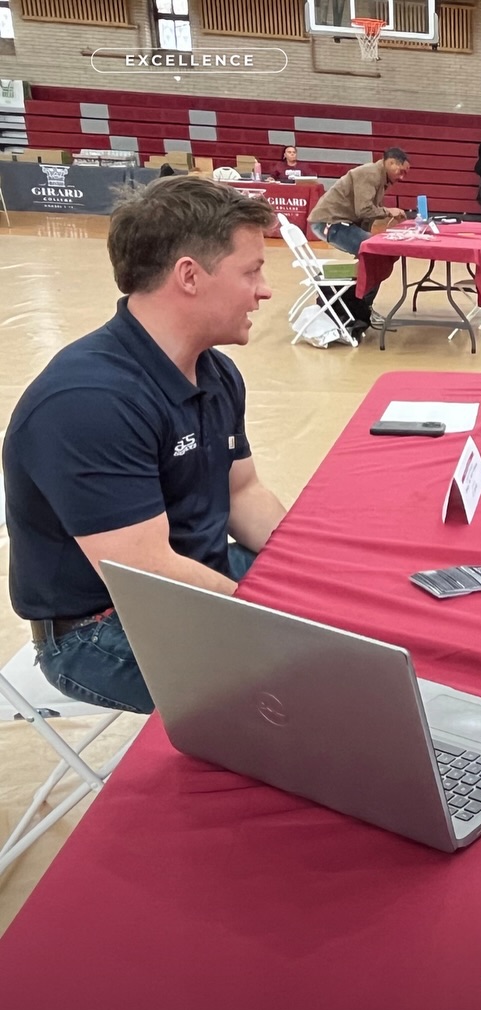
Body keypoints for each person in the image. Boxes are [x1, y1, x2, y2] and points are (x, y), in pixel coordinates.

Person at [3, 176, 289, 714]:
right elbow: (144, 571)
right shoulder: (88, 401)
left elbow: (244, 492)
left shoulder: (215, 372)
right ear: (189, 276)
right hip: (98, 627)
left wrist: (308, 570)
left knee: (347, 609)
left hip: (194, 574)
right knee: (302, 682)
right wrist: (282, 621)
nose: (265, 290)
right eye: (251, 271)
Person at [307, 146, 410, 334]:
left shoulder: (381, 178)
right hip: (329, 222)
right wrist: (389, 211)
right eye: (401, 171)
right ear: (391, 162)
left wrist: (368, 238)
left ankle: (357, 307)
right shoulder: (370, 174)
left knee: (375, 253)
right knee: (377, 255)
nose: (402, 177)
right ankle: (361, 309)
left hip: (341, 222)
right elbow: (364, 210)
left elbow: (365, 217)